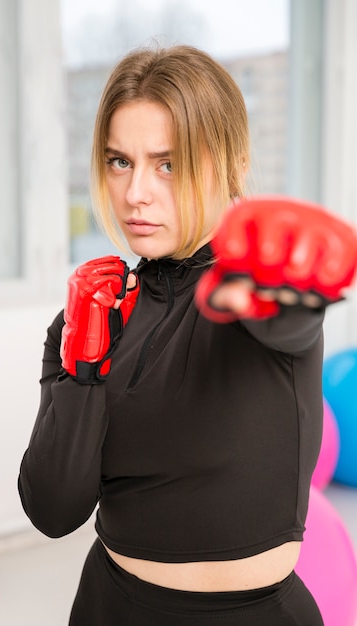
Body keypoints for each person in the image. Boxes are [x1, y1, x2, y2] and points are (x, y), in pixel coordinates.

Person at [18, 44, 357, 625]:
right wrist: (82, 365)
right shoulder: (95, 312)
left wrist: (290, 281)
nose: (135, 194)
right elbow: (54, 509)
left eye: (168, 163)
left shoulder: (248, 292)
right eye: (120, 161)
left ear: (230, 163)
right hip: (109, 605)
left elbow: (289, 321)